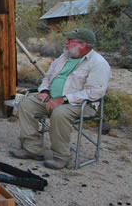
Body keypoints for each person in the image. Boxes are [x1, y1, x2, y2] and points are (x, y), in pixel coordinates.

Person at [12, 28, 111, 169]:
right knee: (25, 104)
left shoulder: (98, 64)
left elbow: (94, 92)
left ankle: (61, 157)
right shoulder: (63, 57)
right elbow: (48, 77)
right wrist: (45, 90)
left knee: (60, 113)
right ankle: (33, 149)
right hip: (52, 99)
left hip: (81, 105)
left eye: (70, 41)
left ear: (82, 45)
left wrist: (63, 99)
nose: (66, 42)